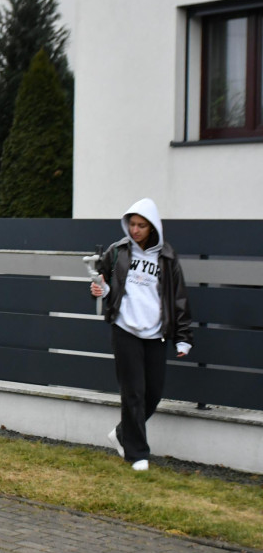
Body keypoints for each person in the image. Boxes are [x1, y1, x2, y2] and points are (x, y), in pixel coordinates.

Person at [91, 197, 192, 472]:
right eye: (132, 224)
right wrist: (99, 290)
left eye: (141, 225)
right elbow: (102, 281)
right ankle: (137, 454)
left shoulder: (167, 257)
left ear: (152, 228)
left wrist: (183, 337)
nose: (135, 230)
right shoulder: (117, 251)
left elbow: (178, 299)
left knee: (153, 393)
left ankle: (123, 434)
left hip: (156, 333)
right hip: (125, 329)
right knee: (133, 392)